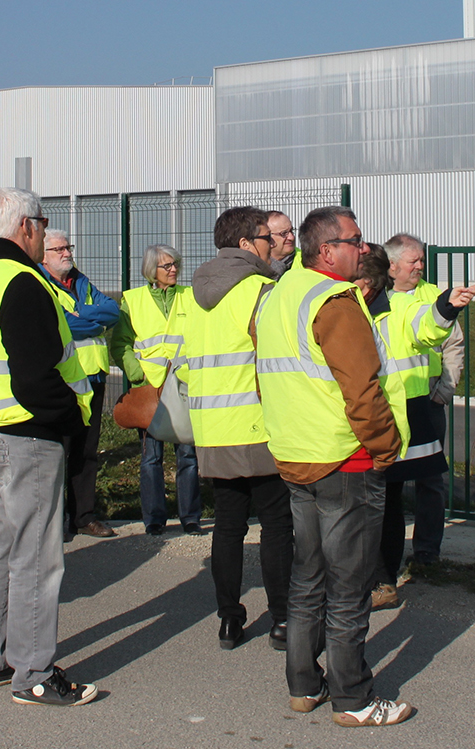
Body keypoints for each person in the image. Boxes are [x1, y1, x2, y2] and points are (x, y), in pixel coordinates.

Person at [256, 206, 413, 727]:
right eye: (356, 240)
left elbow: (267, 373)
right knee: (349, 587)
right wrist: (385, 448)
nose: (364, 248)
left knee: (308, 577)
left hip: (296, 452)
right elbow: (362, 389)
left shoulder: (279, 294)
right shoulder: (335, 301)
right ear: (327, 250)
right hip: (345, 458)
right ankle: (354, 699)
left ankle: (304, 686)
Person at [0, 186, 98, 707]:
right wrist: (67, 418)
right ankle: (34, 674)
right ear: (26, 227)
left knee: (3, 548)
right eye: (42, 222)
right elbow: (35, 376)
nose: (45, 231)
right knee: (38, 560)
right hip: (30, 435)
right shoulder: (22, 282)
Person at [181, 206, 292, 651]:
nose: (273, 244)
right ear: (246, 244)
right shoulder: (263, 291)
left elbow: (184, 365)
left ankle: (229, 620)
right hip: (259, 425)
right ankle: (282, 620)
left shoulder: (192, 296)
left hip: (213, 429)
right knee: (276, 525)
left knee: (228, 527)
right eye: (267, 237)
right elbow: (281, 359)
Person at [355, 241, 475, 610]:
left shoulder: (409, 303)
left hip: (410, 410)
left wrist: (446, 307)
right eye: (414, 260)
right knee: (372, 500)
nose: (420, 266)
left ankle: (398, 570)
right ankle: (369, 576)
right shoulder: (346, 306)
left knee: (399, 494)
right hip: (368, 415)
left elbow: (431, 330)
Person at [111, 243, 202, 535]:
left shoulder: (190, 296)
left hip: (184, 383)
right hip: (148, 388)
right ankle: (154, 519)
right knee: (151, 457)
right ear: (152, 270)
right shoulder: (133, 300)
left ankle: (191, 517)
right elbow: (120, 343)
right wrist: (135, 373)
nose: (174, 269)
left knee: (187, 454)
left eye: (176, 264)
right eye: (167, 265)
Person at [40, 228, 122, 539]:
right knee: (57, 451)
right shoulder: (40, 283)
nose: (67, 253)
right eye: (59, 249)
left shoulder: (81, 281)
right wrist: (91, 320)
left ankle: (83, 516)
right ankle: (54, 520)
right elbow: (62, 323)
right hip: (63, 378)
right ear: (44, 256)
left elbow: (112, 310)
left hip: (93, 375)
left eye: (68, 247)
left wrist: (83, 313)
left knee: (87, 450)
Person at [265, 210, 298, 276]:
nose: (291, 237)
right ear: (268, 237)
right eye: (284, 233)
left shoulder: (307, 261)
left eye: (291, 231)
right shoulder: (254, 266)